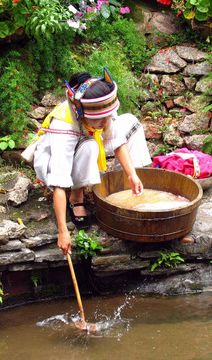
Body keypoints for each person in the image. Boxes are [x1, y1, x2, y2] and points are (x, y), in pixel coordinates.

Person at [33, 68, 152, 255]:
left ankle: (124, 188)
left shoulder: (101, 109)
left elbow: (117, 139)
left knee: (131, 122)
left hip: (88, 140)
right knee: (89, 145)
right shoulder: (64, 127)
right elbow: (58, 180)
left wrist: (132, 175)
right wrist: (63, 232)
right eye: (100, 118)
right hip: (54, 160)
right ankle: (76, 198)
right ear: (80, 112)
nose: (106, 120)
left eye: (108, 115)